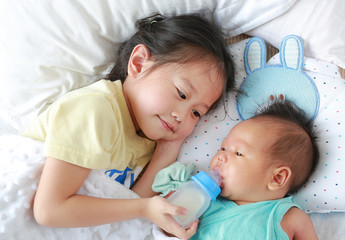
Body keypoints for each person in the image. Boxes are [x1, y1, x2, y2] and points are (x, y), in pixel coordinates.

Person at [22, 13, 235, 239]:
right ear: (139, 63)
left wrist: (168, 148)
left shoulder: (144, 143)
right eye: (182, 93)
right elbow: (49, 211)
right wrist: (145, 208)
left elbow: (126, 213)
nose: (182, 116)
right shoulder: (96, 110)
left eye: (196, 113)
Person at [153, 100, 320, 239]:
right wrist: (173, 208)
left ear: (277, 178)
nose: (220, 156)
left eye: (238, 153)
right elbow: (169, 230)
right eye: (223, 148)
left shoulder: (288, 218)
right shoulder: (201, 200)